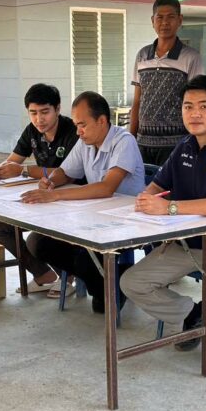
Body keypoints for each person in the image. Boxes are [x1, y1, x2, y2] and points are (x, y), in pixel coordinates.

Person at [121, 75, 206, 372]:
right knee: (132, 282)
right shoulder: (183, 146)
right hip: (189, 244)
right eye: (188, 107)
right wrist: (145, 201)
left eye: (204, 106)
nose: (195, 113)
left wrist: (168, 208)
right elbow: (154, 189)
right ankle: (192, 314)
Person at [22, 90, 145, 312]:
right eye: (76, 125)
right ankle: (105, 285)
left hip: (125, 221)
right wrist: (51, 181)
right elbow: (66, 172)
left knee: (85, 254)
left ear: (102, 121)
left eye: (83, 125)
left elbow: (107, 188)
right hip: (93, 216)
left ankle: (111, 286)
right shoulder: (85, 141)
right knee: (38, 242)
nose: (78, 131)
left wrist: (55, 195)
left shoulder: (123, 141)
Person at [0, 83, 79, 295]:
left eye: (45, 112)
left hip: (70, 198)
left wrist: (25, 170)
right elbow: (12, 161)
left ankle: (68, 276)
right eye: (33, 113)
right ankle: (42, 274)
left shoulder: (73, 131)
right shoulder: (32, 131)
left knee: (39, 237)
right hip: (41, 197)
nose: (39, 119)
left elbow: (68, 172)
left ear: (57, 108)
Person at [129, 0, 204, 166]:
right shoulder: (142, 55)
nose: (165, 22)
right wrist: (131, 139)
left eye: (170, 17)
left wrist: (195, 141)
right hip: (142, 143)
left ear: (180, 20)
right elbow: (137, 100)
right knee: (143, 183)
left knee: (171, 184)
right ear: (152, 21)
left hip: (177, 143)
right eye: (160, 17)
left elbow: (196, 103)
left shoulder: (191, 57)